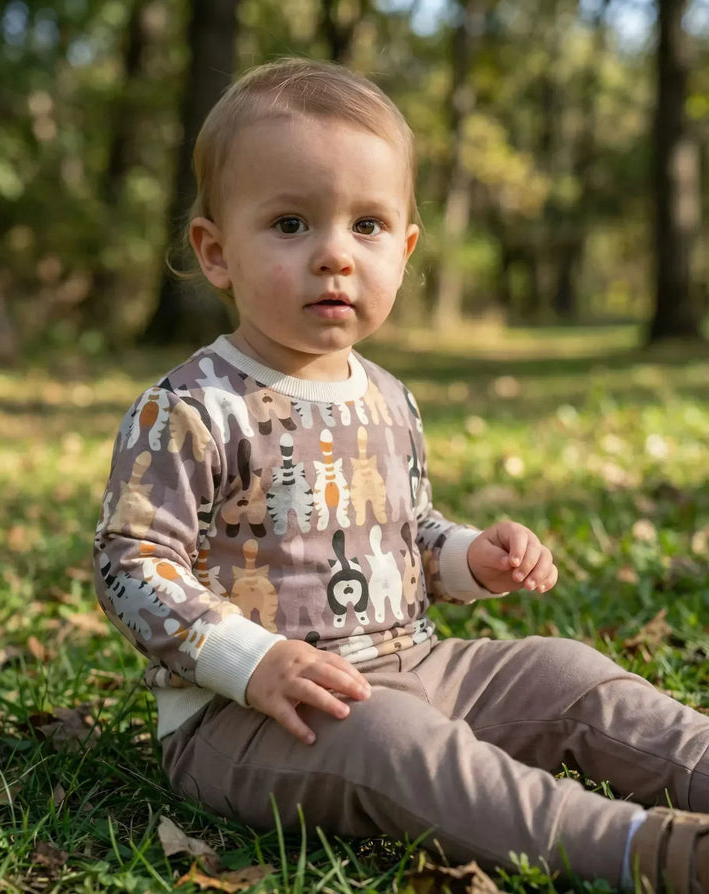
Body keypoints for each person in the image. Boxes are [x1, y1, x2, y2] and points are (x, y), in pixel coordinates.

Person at [94, 57, 709, 893]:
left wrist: (467, 556)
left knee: (568, 673)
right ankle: (638, 847)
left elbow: (407, 529)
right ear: (216, 251)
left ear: (407, 248)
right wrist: (252, 659)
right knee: (403, 749)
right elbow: (133, 565)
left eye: (368, 227)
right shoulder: (193, 407)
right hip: (245, 714)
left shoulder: (387, 397)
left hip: (415, 664)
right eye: (289, 224)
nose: (334, 257)